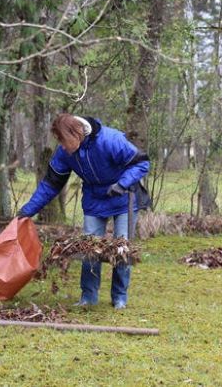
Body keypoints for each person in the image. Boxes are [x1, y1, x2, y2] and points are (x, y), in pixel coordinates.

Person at [18, 114, 150, 310]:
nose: (61, 146)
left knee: (122, 248)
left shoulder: (110, 140)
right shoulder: (65, 153)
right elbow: (50, 184)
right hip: (94, 200)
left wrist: (121, 184)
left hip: (124, 198)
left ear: (76, 134)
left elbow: (142, 163)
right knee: (89, 247)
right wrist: (27, 210)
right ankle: (88, 295)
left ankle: (119, 297)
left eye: (63, 140)